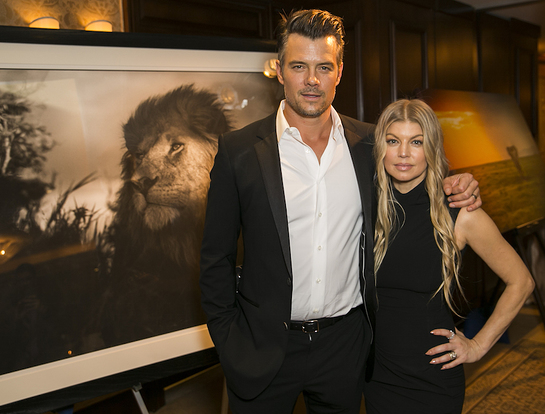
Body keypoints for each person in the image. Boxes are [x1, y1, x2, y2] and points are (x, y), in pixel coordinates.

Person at [200, 10, 481, 414]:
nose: (311, 80)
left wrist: (460, 182)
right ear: (279, 70)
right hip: (261, 349)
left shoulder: (369, 145)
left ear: (340, 72)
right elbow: (215, 262)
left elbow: (420, 167)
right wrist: (230, 344)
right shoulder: (239, 151)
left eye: (323, 67)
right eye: (299, 66)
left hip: (345, 349)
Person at [363, 98, 535, 414]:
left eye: (416, 142)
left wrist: (478, 345)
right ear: (381, 147)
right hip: (377, 377)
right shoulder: (366, 205)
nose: (403, 153)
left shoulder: (458, 213)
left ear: (431, 148)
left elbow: (521, 281)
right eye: (393, 141)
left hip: (433, 379)